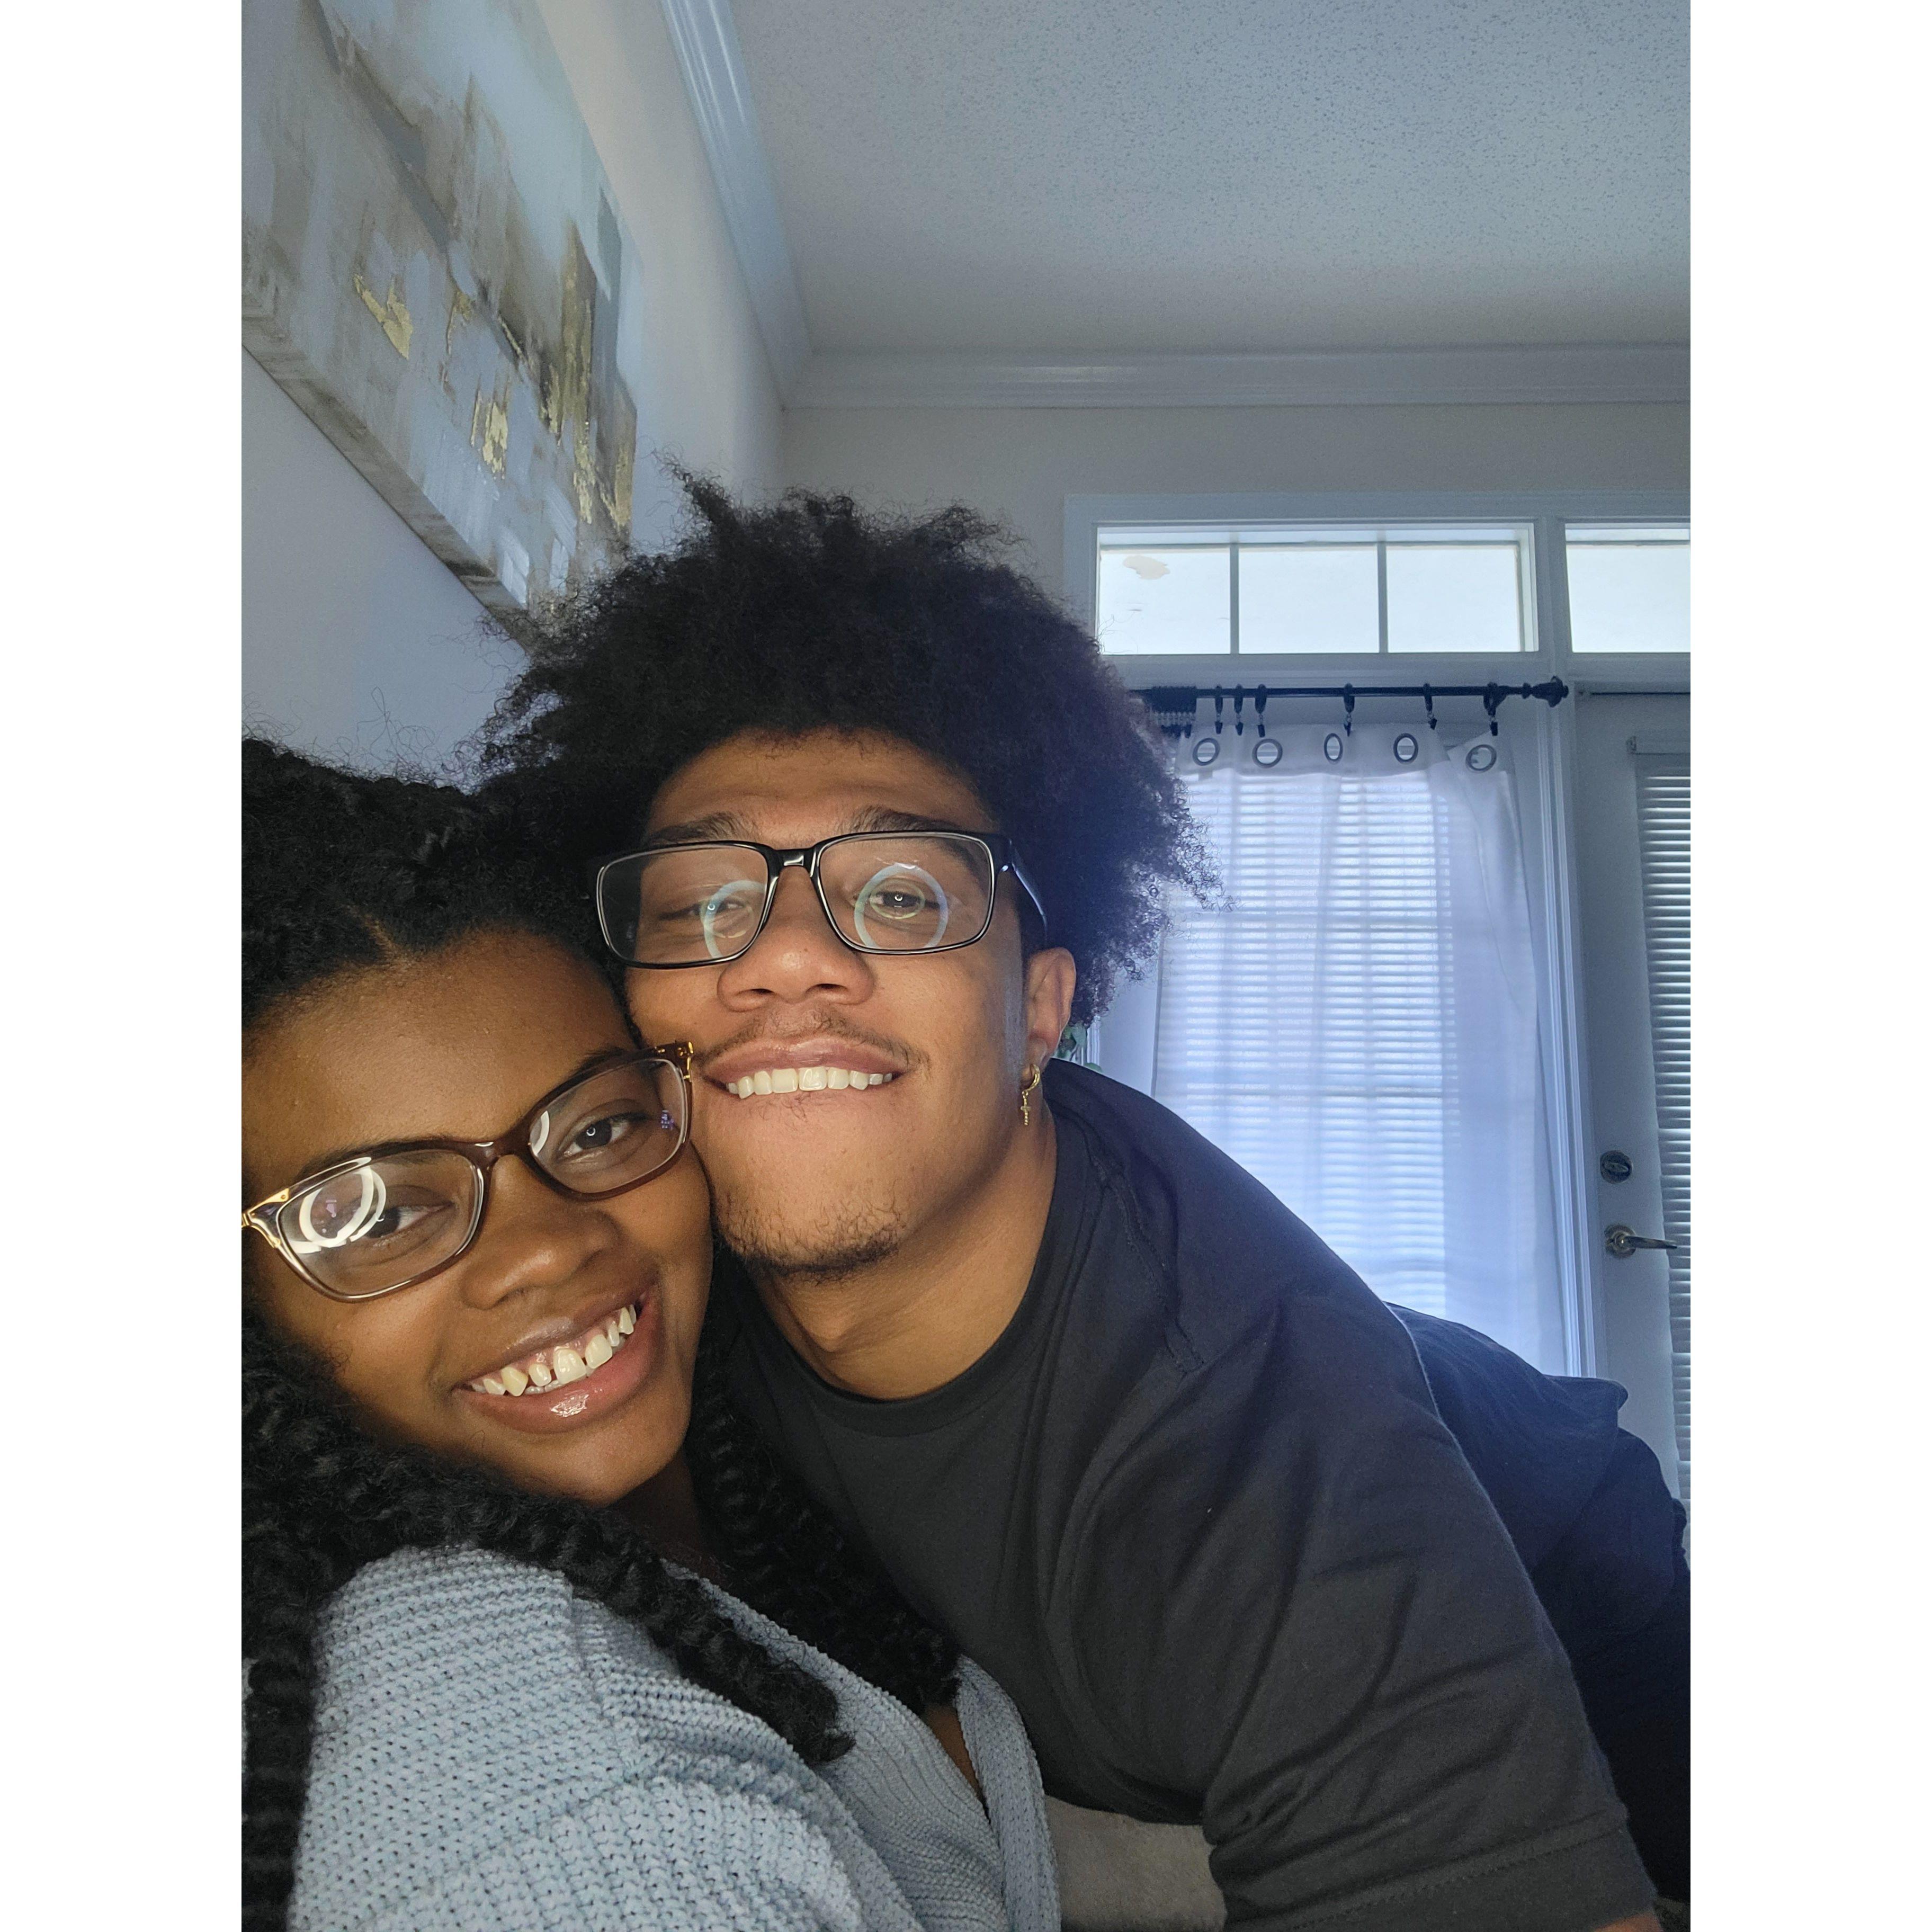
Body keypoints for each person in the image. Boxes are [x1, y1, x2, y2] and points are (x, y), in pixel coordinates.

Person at [482, 480, 1689, 1929]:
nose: (786, 958)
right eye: (700, 905)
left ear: (1043, 1013)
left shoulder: (1262, 1452)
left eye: (904, 896)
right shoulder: (630, 1246)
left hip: (1577, 1565)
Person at [240, 739, 1060, 1932]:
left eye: (596, 1127)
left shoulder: (757, 1470)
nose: (544, 1248)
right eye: (380, 1213)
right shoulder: (543, 1803)